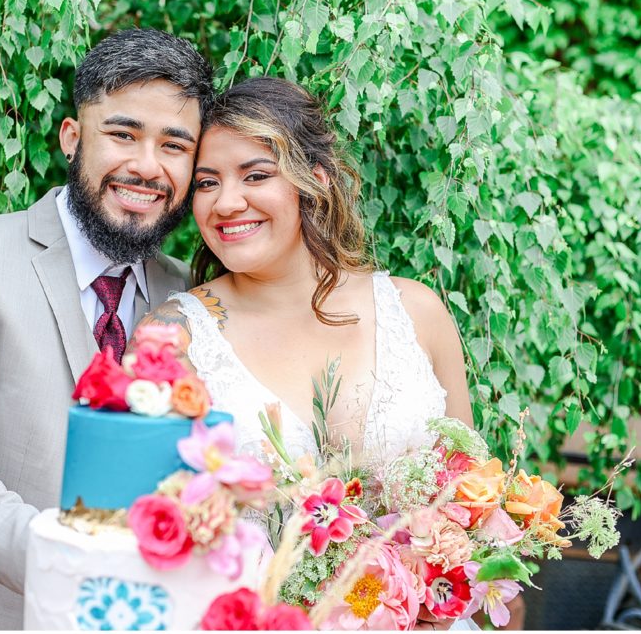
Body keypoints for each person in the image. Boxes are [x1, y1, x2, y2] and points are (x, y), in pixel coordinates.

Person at [0, 29, 213, 629]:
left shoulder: (192, 295)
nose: (146, 165)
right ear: (72, 138)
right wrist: (74, 566)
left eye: (174, 145)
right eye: (123, 134)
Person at [135, 77, 477, 630]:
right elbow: (154, 531)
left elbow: (475, 495)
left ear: (313, 181)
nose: (227, 202)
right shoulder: (171, 340)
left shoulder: (417, 312)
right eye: (206, 182)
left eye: (256, 175)